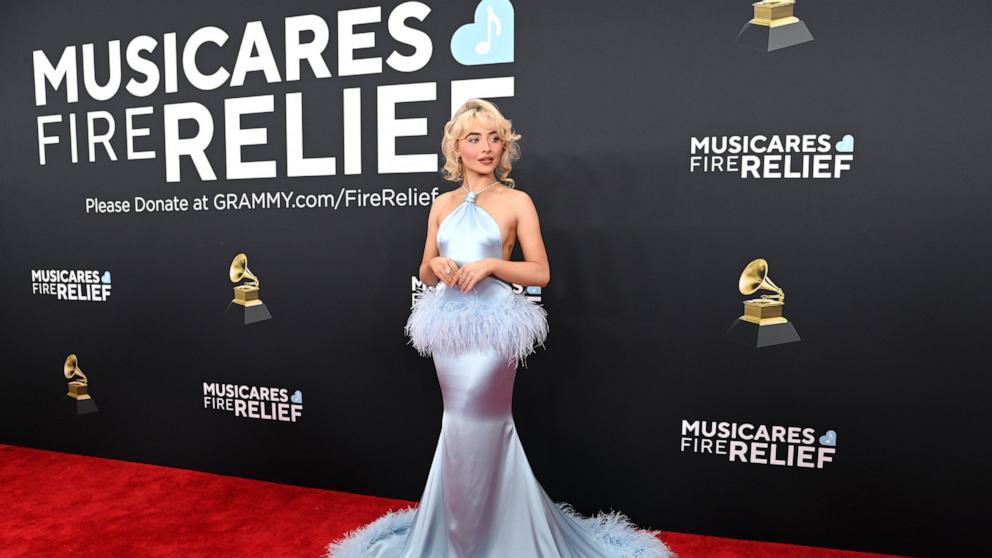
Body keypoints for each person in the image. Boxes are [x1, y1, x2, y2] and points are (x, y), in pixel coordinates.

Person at [328, 99, 672, 558]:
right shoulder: (441, 203)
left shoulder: (516, 201)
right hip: (448, 329)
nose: (487, 147)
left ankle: (503, 536)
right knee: (455, 423)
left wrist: (492, 264)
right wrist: (437, 262)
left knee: (486, 420)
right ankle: (457, 533)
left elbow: (540, 272)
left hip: (493, 330)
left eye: (495, 138)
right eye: (474, 138)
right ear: (456, 147)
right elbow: (425, 272)